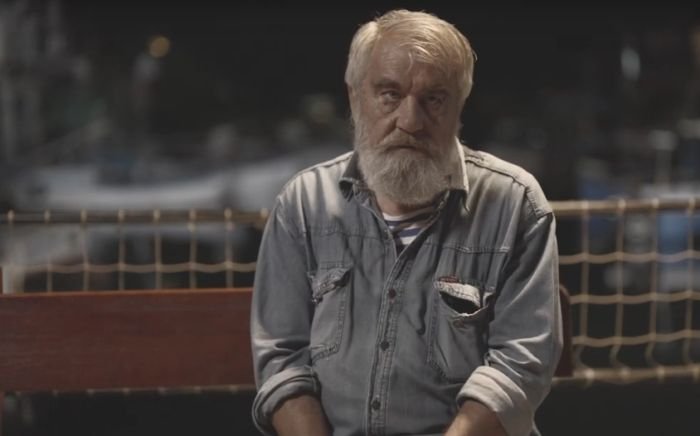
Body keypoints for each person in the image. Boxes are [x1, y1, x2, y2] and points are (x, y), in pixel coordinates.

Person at [250, 9, 562, 436]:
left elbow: (519, 368)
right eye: (390, 94)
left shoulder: (515, 205)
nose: (411, 121)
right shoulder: (303, 205)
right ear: (355, 97)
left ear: (459, 107)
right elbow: (282, 360)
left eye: (434, 99)